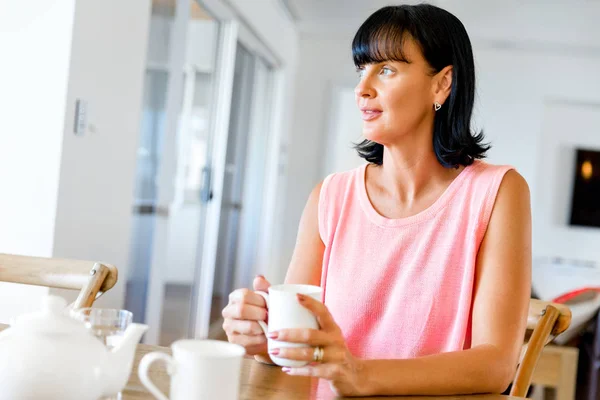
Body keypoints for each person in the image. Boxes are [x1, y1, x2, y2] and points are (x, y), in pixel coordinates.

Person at [222, 3, 531, 396]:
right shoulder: (330, 197)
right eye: (361, 69)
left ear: (442, 84)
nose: (362, 87)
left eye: (385, 69)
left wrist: (358, 373)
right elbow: (299, 343)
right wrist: (262, 337)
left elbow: (496, 365)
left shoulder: (498, 192)